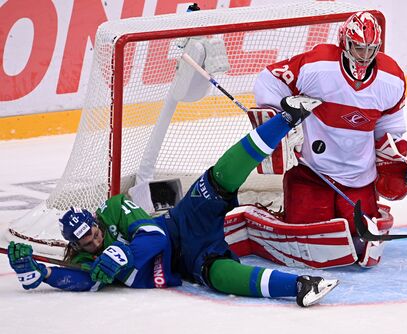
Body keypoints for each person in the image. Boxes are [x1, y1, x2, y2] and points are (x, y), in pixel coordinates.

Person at [7, 96, 339, 307]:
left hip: (183, 222)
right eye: (87, 242)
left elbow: (154, 235)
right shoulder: (84, 258)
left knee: (218, 178)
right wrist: (40, 272)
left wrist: (122, 253)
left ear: (95, 221)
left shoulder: (113, 209)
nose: (94, 241)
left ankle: (286, 118)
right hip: (186, 262)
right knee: (221, 278)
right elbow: (80, 280)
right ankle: (300, 286)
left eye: (93, 233)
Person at [252, 11, 407, 266]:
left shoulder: (391, 78)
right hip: (312, 171)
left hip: (358, 177)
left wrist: (393, 157)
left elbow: (390, 124)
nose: (364, 56)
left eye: (370, 49)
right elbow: (269, 80)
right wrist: (286, 118)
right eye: (358, 48)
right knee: (308, 235)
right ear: (344, 42)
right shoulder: (318, 65)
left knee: (360, 238)